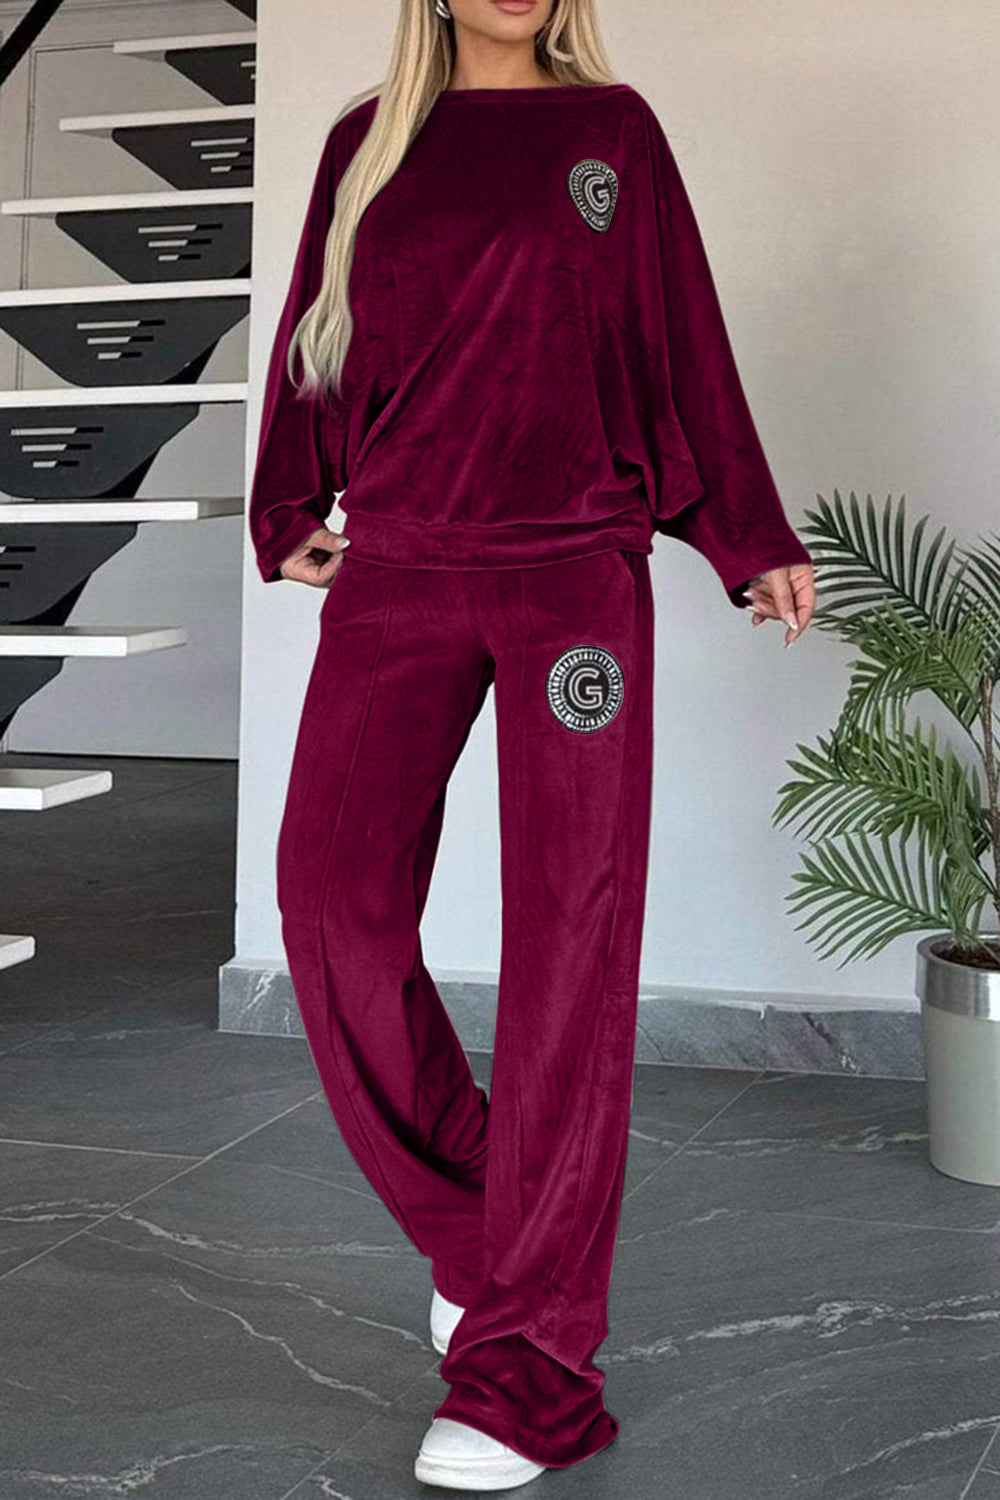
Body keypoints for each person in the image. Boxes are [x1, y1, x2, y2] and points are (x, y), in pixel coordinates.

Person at [248, 0, 816, 1489]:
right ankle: (492, 1244)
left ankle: (531, 1367)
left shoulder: (610, 135)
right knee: (331, 906)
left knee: (571, 940)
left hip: (575, 576)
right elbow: (315, 332)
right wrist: (288, 503)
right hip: (402, 567)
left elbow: (681, 338)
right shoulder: (363, 145)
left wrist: (745, 532)